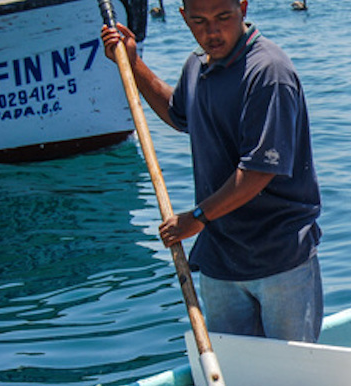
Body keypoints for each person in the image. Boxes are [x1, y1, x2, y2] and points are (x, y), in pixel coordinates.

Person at [101, 0, 324, 343]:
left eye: (223, 18)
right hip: (221, 258)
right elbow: (178, 115)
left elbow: (257, 171)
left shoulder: (268, 72)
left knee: (293, 380)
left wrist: (197, 217)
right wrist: (132, 63)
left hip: (280, 259)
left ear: (243, 8)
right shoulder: (196, 65)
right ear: (183, 18)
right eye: (199, 21)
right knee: (236, 376)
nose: (212, 32)